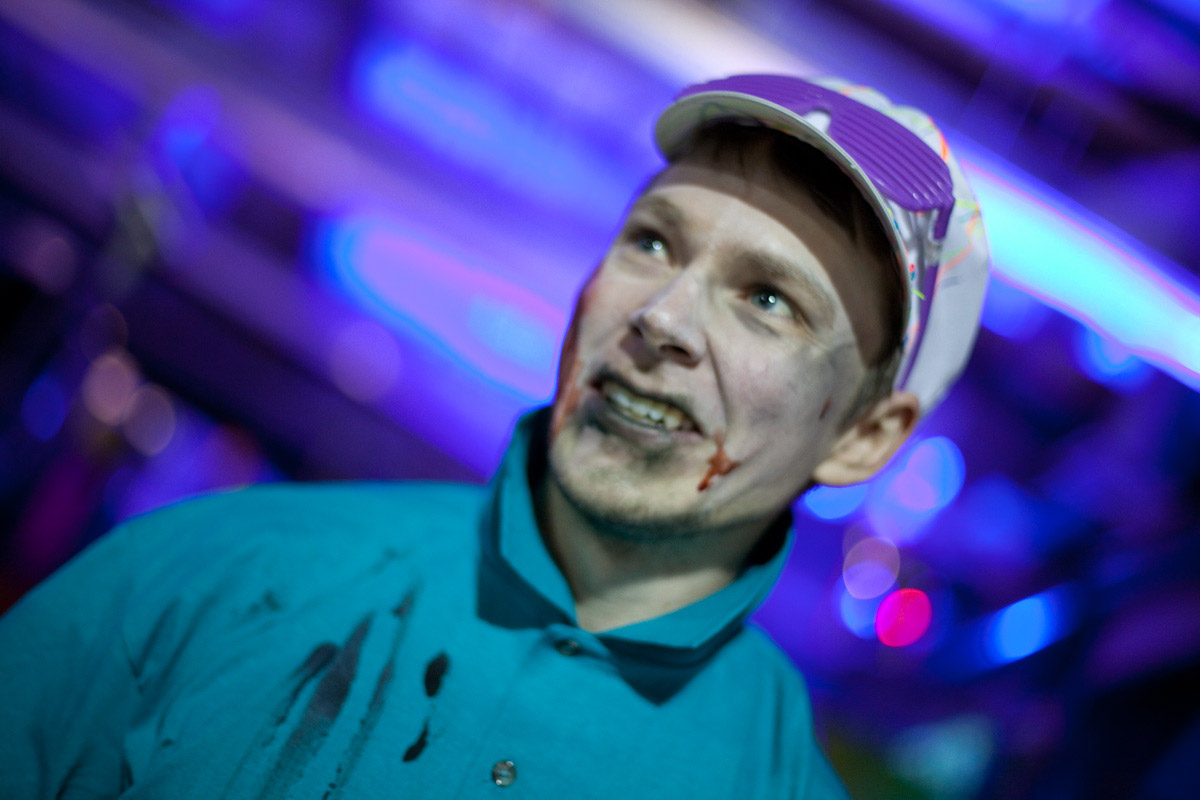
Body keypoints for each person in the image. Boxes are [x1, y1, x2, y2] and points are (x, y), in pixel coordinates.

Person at [0, 74, 988, 799]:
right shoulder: (220, 571)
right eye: (652, 240)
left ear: (864, 437)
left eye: (769, 299)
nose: (661, 317)